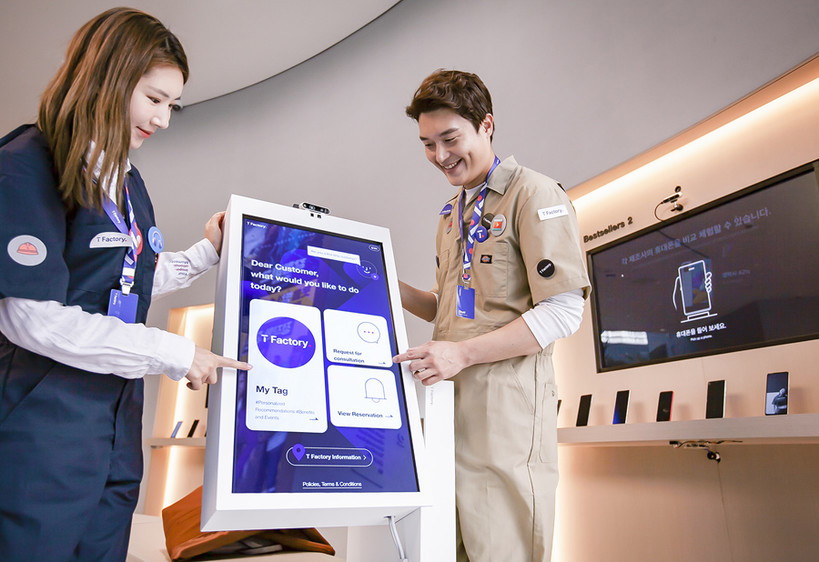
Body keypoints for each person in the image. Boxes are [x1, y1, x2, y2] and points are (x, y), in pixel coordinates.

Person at [0, 8, 250, 561]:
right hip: (45, 421)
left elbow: (125, 282)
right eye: (154, 98)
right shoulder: (28, 165)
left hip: (115, 421)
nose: (163, 120)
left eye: (172, 106)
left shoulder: (127, 180)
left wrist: (209, 252)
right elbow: (29, 316)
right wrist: (173, 352)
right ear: (107, 77)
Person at [393, 69, 590, 562]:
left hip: (506, 415)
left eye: (450, 139)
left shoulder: (535, 194)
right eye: (428, 144)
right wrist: (385, 285)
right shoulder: (450, 214)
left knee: (504, 549)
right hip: (449, 407)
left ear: (486, 125)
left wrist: (462, 354)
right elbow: (452, 310)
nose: (440, 155)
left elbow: (564, 310)